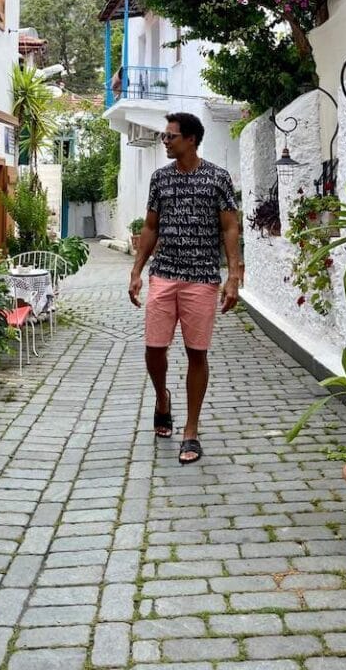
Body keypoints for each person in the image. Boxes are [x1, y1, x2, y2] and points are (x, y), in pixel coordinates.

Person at [128, 112, 240, 464]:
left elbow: (230, 228)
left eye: (170, 136)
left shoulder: (217, 178)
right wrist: (137, 271)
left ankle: (190, 431)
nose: (165, 141)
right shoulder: (160, 179)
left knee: (197, 353)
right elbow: (150, 227)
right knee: (153, 349)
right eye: (164, 136)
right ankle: (162, 397)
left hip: (202, 278)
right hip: (164, 274)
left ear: (191, 139)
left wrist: (233, 275)